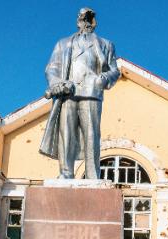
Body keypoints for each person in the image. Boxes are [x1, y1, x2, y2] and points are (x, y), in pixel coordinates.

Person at [39, 7, 120, 179]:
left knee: (91, 134)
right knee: (66, 134)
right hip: (68, 93)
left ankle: (92, 175)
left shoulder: (106, 45)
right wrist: (58, 83)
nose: (87, 23)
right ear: (78, 21)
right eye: (84, 19)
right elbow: (51, 69)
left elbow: (115, 71)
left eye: (89, 19)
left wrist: (103, 79)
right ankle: (66, 173)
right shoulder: (63, 44)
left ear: (94, 22)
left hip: (91, 93)